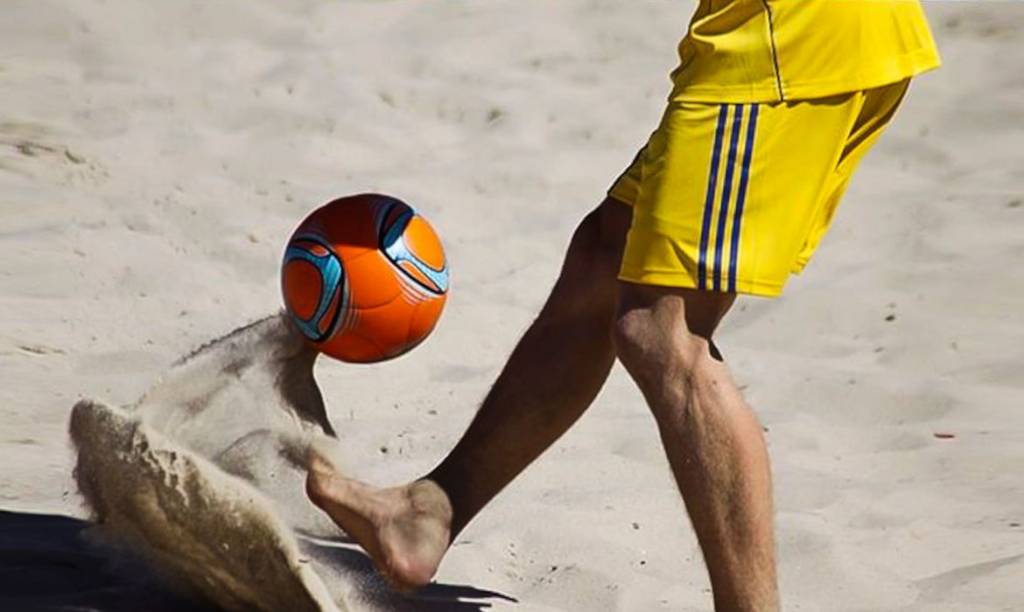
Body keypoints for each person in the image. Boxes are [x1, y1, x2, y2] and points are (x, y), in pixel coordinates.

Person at [305, 2, 941, 610]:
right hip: (771, 36)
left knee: (663, 332)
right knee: (604, 256)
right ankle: (432, 511)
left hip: (786, 42)